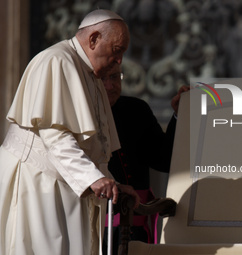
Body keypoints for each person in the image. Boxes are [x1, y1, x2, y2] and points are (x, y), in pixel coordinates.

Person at [0, 9, 140, 255]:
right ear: (94, 39)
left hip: (68, 185)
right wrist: (93, 179)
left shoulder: (90, 73)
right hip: (40, 185)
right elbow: (56, 136)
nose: (119, 60)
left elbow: (95, 146)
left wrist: (111, 182)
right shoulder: (56, 61)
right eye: (117, 50)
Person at [101, 66, 189, 254]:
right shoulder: (78, 114)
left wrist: (179, 115)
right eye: (103, 79)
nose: (110, 85)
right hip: (95, 230)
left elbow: (163, 160)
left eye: (115, 77)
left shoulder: (136, 109)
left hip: (135, 229)